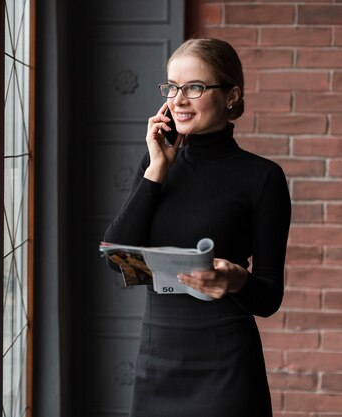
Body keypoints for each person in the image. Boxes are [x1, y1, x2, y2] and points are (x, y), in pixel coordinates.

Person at [103, 38, 291, 417]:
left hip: (226, 367)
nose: (178, 100)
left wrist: (237, 281)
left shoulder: (263, 177)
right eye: (172, 87)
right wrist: (156, 169)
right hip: (157, 362)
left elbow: (269, 298)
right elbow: (117, 259)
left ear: (232, 96)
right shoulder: (156, 164)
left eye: (194, 87)